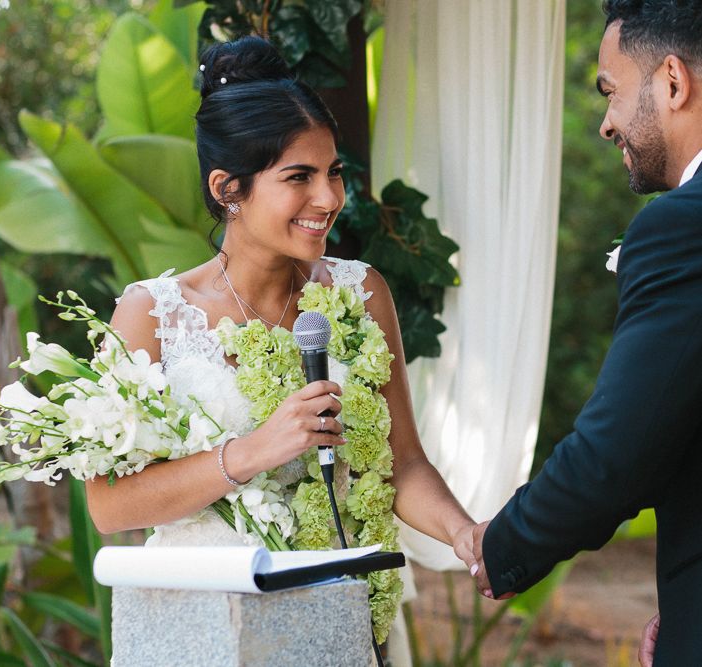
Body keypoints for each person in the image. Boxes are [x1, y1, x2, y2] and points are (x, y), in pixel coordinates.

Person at [84, 35, 476, 650]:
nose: (328, 199)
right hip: (198, 624)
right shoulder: (151, 315)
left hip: (331, 614)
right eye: (300, 177)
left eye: (334, 173)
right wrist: (252, 451)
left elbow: (404, 463)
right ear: (227, 188)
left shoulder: (362, 291)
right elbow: (109, 505)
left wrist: (464, 532)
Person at [468, 2, 702, 665]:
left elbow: (617, 451)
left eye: (611, 91)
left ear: (671, 82)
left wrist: (503, 545)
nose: (606, 123)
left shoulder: (681, 226)